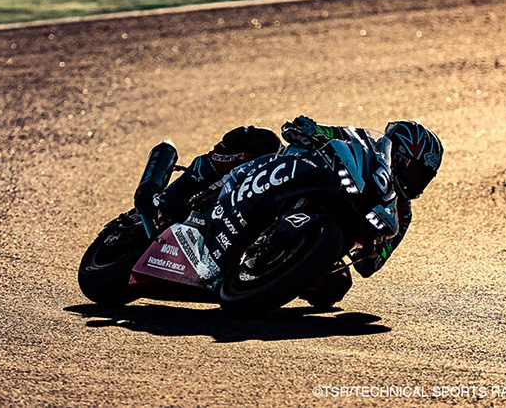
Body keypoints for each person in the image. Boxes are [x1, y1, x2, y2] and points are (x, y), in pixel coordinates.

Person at [154, 116, 444, 307]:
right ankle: (175, 193)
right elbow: (325, 133)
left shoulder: (401, 214)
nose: (416, 182)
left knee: (335, 287)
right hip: (294, 180)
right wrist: (309, 129)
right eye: (414, 171)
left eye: (424, 177)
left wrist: (372, 248)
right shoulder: (365, 150)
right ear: (397, 155)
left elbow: (370, 266)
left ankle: (264, 274)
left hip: (325, 231)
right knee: (261, 140)